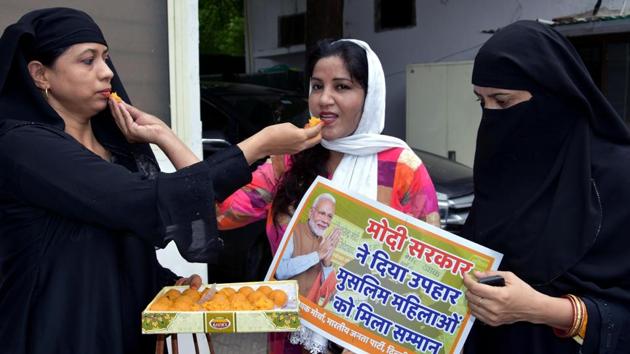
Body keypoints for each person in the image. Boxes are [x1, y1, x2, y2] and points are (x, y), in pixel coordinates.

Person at [0, 8, 321, 354]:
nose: (107, 72)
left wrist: (167, 285)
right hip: (58, 332)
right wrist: (257, 146)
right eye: (87, 60)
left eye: (106, 58)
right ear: (39, 74)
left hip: (122, 330)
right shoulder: (22, 145)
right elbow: (142, 201)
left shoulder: (114, 149)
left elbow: (116, 240)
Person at [216, 39, 440, 354]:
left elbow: (430, 272)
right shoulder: (291, 160)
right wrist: (162, 135)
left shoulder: (401, 167)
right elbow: (221, 210)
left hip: (369, 345)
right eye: (317, 86)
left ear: (369, 96)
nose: (325, 99)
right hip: (293, 339)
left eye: (342, 87)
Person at [461, 20, 630, 354]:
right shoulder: (502, 172)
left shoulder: (618, 179)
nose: (492, 118)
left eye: (503, 101)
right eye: (482, 103)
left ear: (552, 95)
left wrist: (540, 308)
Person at [275, 193, 341, 307]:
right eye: (322, 213)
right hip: (281, 305)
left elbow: (329, 296)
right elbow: (280, 271)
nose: (325, 220)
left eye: (330, 216)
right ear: (311, 212)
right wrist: (317, 255)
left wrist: (327, 264)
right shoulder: (293, 231)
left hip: (307, 314)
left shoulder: (325, 243)